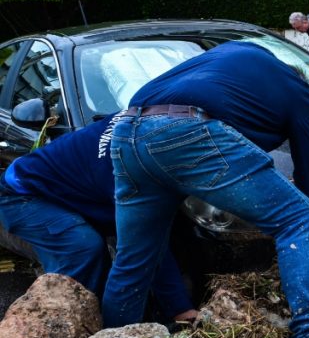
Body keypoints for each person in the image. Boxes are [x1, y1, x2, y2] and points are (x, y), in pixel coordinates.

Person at [101, 42, 309, 338]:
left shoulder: (234, 56)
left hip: (126, 132)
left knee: (134, 259)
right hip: (185, 130)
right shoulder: (298, 91)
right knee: (298, 218)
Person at [0, 116, 197, 324]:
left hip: (68, 191)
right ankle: (65, 331)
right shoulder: (125, 170)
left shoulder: (154, 119)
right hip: (21, 194)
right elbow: (146, 242)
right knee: (82, 248)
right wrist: (180, 308)